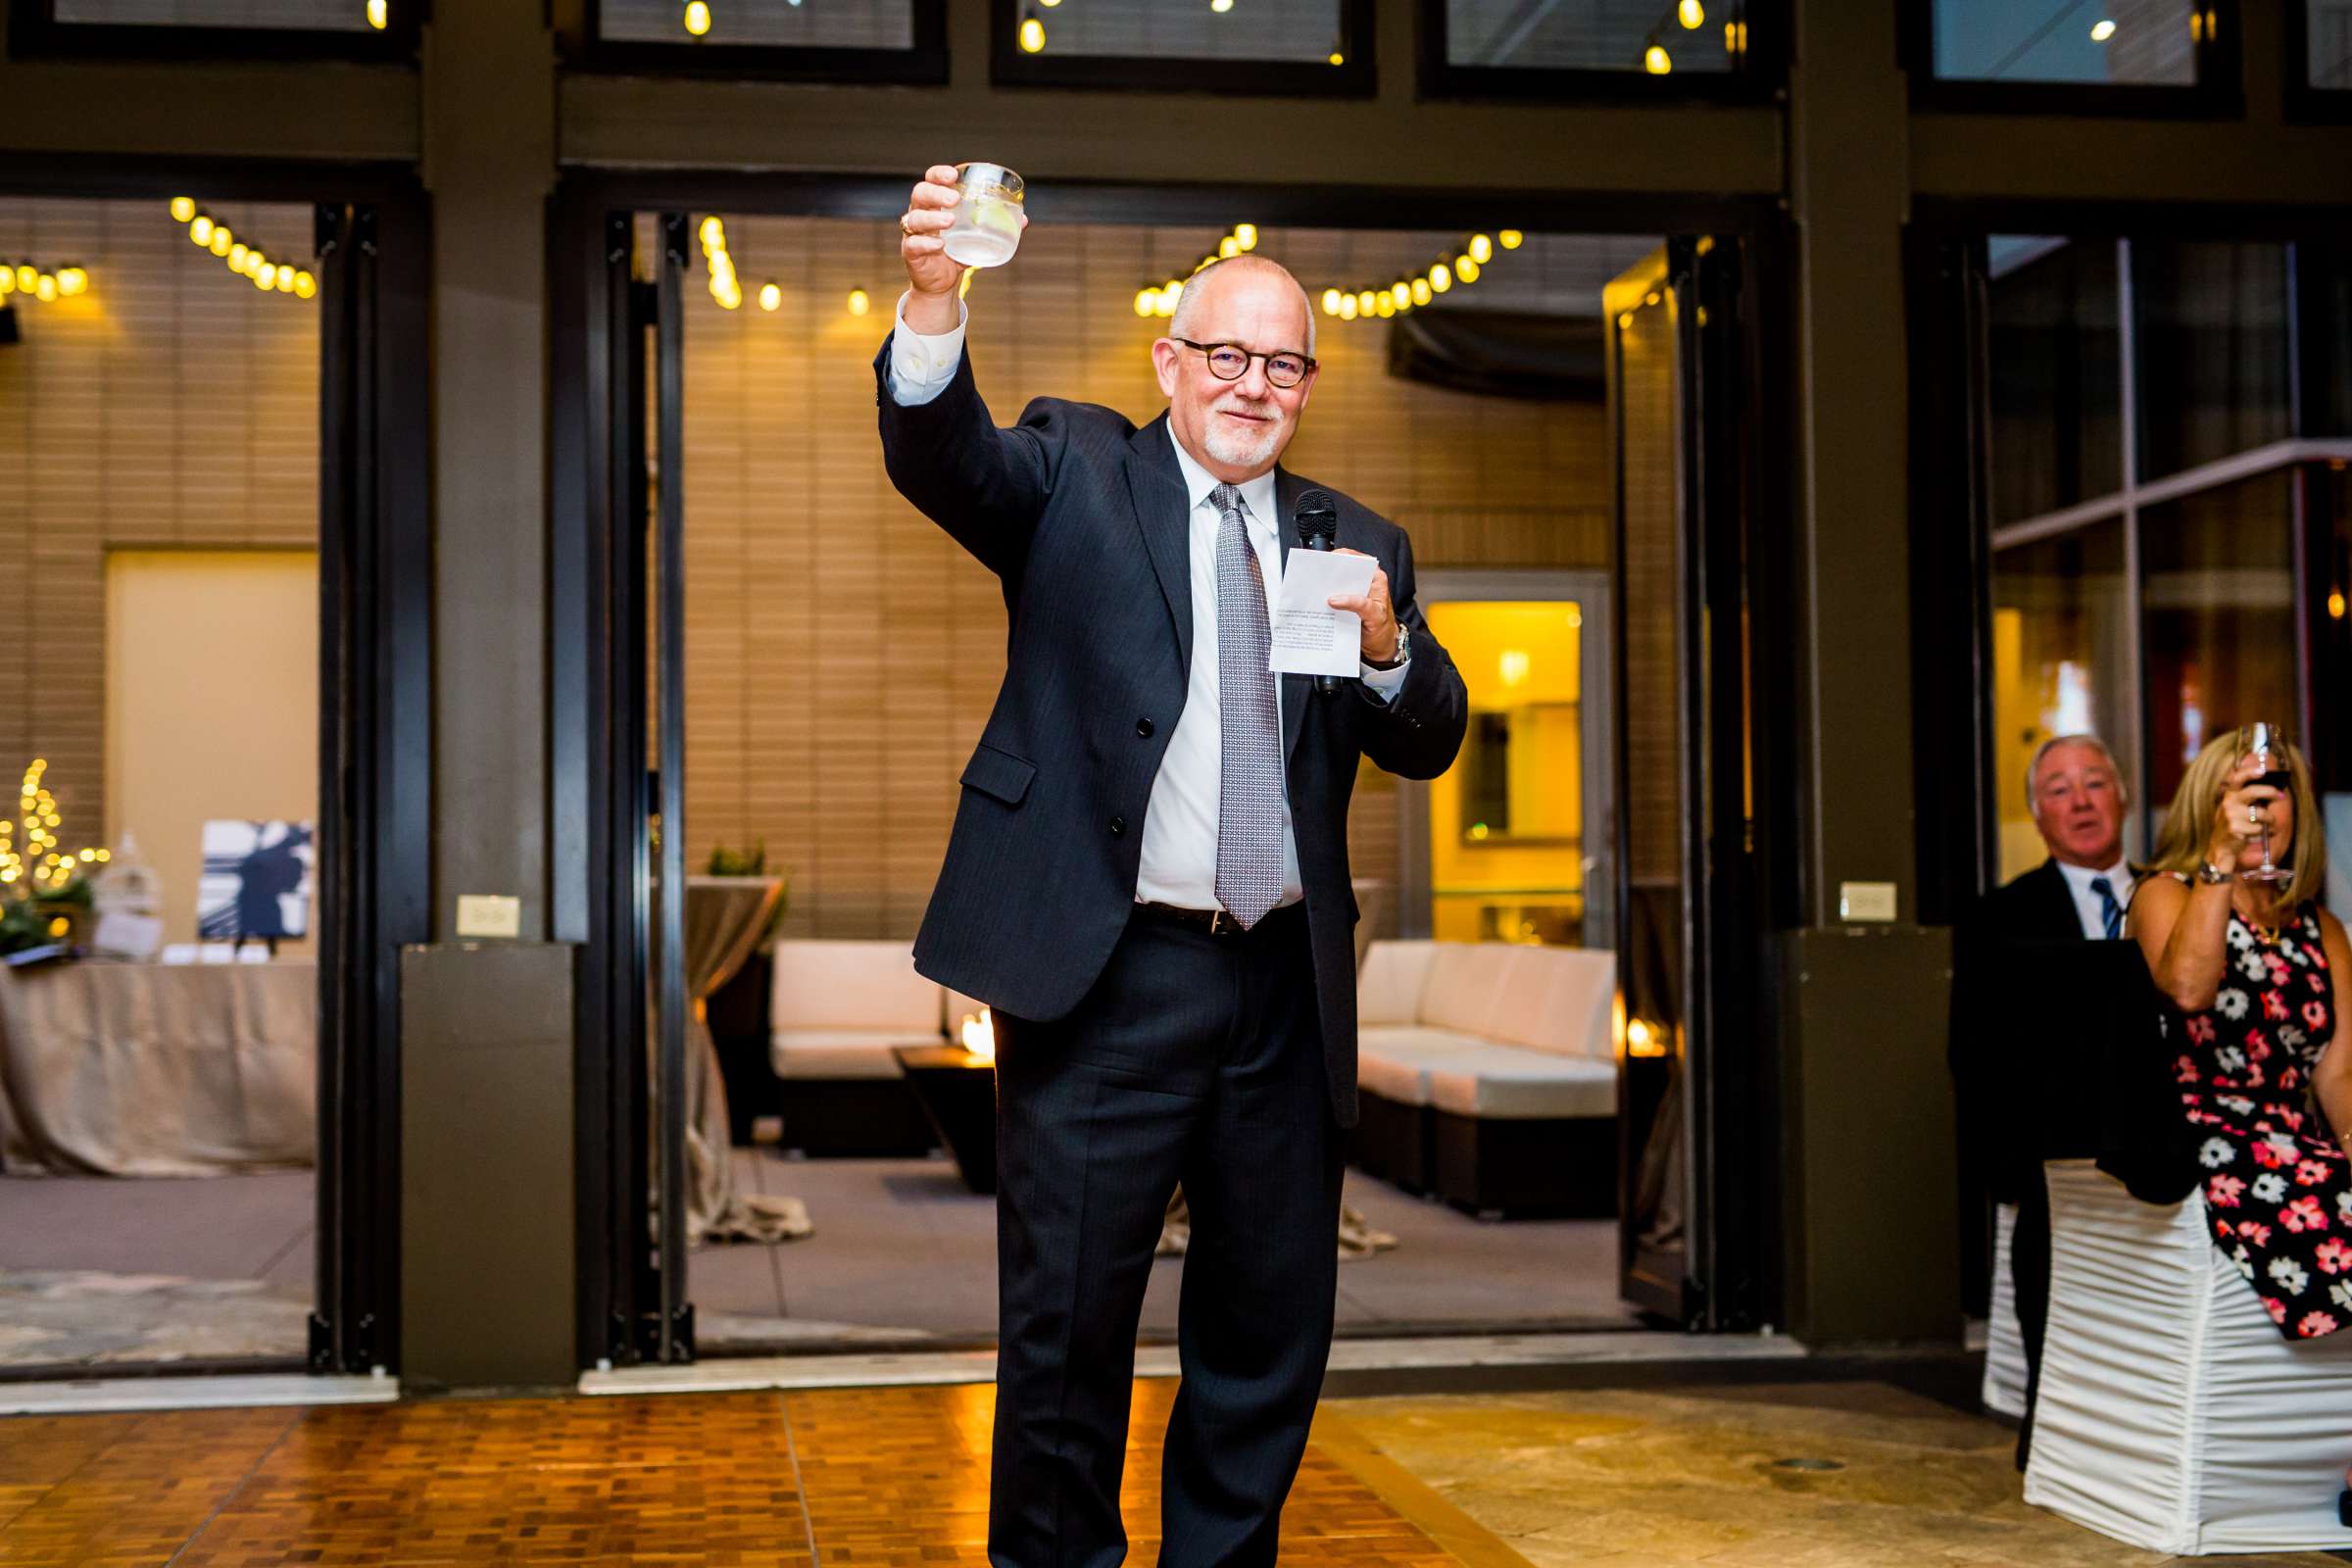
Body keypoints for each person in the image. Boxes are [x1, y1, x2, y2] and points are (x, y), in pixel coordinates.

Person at [875, 167, 1468, 1567]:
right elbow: (942, 455)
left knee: (1266, 1343)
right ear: (1170, 360)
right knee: (1068, 1339)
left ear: (1308, 386)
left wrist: (1388, 646)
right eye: (1226, 354)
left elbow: (1433, 737)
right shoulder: (1079, 470)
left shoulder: (1356, 542)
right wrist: (934, 300)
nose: (1252, 384)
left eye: (1282, 364)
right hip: (1107, 982)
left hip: (1280, 993)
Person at [2129, 729, 2352, 1348]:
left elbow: (2339, 1076)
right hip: (2200, 1136)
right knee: (2320, 1198)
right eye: (2240, 791)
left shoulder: (2320, 927)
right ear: (2210, 805)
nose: (2259, 808)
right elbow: (2189, 991)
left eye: (2273, 790)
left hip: (2295, 1138)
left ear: (2297, 810)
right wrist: (2220, 862)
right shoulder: (2165, 892)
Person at [1949, 733, 2138, 1466]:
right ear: (2037, 815)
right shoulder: (1999, 916)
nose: (2081, 800)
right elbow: (1974, 1051)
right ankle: (2053, 1428)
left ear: (2121, 796)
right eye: (2060, 789)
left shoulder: (2177, 897)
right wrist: (2010, 1166)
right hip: (2054, 1144)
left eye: (2095, 782)